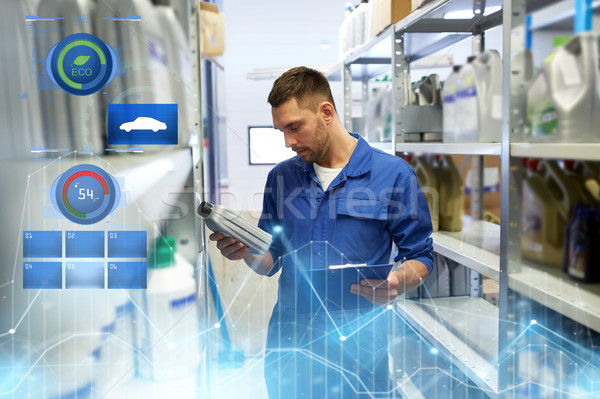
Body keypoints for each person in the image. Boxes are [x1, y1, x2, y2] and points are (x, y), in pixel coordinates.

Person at [210, 66, 433, 398]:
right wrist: (245, 253)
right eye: (281, 131)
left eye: (294, 127)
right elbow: (270, 259)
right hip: (290, 345)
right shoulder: (282, 178)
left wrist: (397, 281)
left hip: (358, 348)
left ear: (326, 112)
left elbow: (420, 256)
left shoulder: (393, 175)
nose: (288, 142)